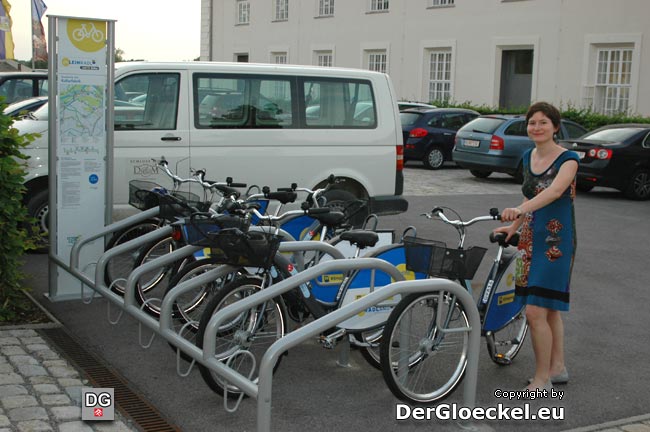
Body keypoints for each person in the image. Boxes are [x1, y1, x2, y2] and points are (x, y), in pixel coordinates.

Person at [494, 101, 580, 391]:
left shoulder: (568, 159)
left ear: (555, 127)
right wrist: (514, 226)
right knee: (549, 308)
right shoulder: (529, 155)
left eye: (544, 122)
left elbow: (554, 191)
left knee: (535, 311)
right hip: (530, 240)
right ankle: (558, 367)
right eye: (532, 122)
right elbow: (530, 200)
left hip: (556, 241)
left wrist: (518, 211)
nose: (537, 127)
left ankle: (542, 379)